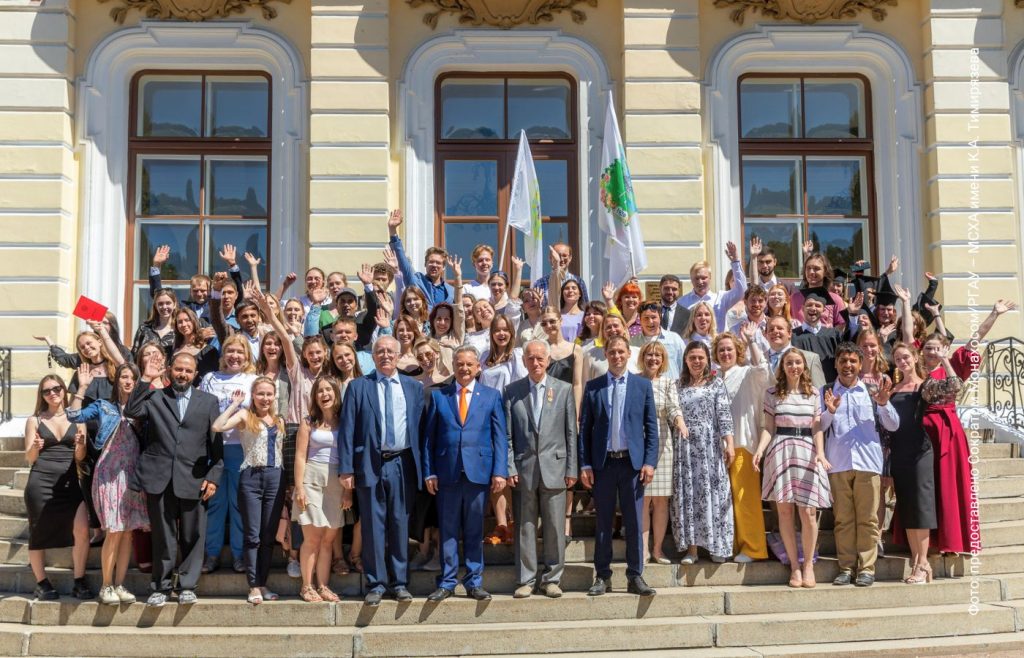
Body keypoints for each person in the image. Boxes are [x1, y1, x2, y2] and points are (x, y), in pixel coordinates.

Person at [125, 352, 223, 607]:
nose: (183, 374)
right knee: (162, 537)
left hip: (195, 478)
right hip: (159, 478)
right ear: (169, 370)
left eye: (188, 371)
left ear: (195, 375)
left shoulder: (209, 401)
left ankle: (188, 586)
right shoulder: (155, 397)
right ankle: (161, 586)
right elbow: (131, 410)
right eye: (179, 369)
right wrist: (145, 378)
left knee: (193, 536)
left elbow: (216, 447)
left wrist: (213, 477)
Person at [340, 336, 426, 606]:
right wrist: (346, 469)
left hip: (403, 464)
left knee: (400, 523)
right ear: (373, 356)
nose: (385, 355)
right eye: (380, 351)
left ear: (399, 355)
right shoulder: (358, 386)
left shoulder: (413, 387)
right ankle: (376, 583)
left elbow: (421, 431)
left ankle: (399, 583)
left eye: (390, 351)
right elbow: (347, 429)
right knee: (373, 525)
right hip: (370, 464)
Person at [424, 345, 508, 602]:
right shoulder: (439, 396)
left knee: (474, 529)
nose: (464, 368)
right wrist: (429, 472)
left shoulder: (491, 396)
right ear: (453, 366)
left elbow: (499, 437)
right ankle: (447, 582)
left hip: (478, 473)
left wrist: (500, 471)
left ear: (478, 367)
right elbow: (428, 439)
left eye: (469, 364)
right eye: (460, 364)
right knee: (448, 530)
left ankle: (474, 581)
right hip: (447, 472)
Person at [579, 336, 659, 597]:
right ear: (606, 354)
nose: (616, 356)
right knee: (603, 522)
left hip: (632, 465)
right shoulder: (594, 387)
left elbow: (651, 428)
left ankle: (635, 575)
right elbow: (585, 429)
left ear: (628, 354)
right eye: (612, 352)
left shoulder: (642, 386)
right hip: (603, 465)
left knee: (634, 522)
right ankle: (602, 576)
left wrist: (649, 462)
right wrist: (585, 464)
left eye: (621, 352)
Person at [68, 363, 149, 605]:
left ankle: (120, 584)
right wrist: (82, 388)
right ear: (117, 381)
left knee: (127, 533)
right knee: (113, 531)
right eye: (124, 376)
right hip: (109, 473)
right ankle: (106, 585)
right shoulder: (104, 405)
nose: (128, 381)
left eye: (132, 377)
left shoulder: (142, 407)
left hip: (133, 475)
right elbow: (74, 416)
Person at [751, 348, 832, 588]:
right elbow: (768, 428)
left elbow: (817, 427)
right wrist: (759, 450)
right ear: (783, 367)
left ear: (804, 366)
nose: (794, 367)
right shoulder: (772, 393)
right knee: (785, 512)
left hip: (807, 451)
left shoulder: (813, 393)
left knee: (808, 512)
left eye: (797, 362)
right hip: (781, 450)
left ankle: (808, 565)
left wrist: (821, 453)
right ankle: (795, 567)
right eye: (789, 363)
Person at [504, 340, 578, 598]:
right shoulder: (512, 391)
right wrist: (509, 466)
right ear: (524, 361)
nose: (535, 363)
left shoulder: (564, 389)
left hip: (555, 467)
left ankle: (551, 579)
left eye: (540, 358)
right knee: (524, 526)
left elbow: (571, 432)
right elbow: (507, 435)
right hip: (523, 468)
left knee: (555, 527)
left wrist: (572, 468)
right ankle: (526, 579)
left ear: (548, 361)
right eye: (530, 358)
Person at [822, 343, 899, 587]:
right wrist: (829, 412)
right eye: (843, 361)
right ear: (836, 363)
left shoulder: (872, 391)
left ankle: (866, 568)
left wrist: (884, 404)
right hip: (838, 463)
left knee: (868, 519)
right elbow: (819, 427)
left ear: (860, 364)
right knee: (843, 520)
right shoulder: (825, 391)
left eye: (853, 361)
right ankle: (846, 567)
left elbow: (893, 425)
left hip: (868, 464)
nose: (848, 365)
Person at [212, 379, 288, 604]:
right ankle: (253, 585)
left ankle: (263, 584)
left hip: (276, 477)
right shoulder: (245, 416)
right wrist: (235, 404)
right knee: (253, 535)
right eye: (260, 394)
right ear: (253, 395)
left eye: (269, 394)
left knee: (268, 536)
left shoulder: (279, 420)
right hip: (251, 477)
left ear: (274, 396)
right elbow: (217, 426)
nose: (265, 398)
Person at [23, 375, 92, 601]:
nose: (52, 393)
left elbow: (80, 456)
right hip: (40, 482)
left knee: (82, 530)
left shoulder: (77, 417)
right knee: (37, 532)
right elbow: (30, 458)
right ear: (41, 396)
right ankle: (42, 583)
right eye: (46, 391)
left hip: (69, 482)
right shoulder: (35, 420)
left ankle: (79, 581)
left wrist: (80, 445)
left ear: (64, 389)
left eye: (56, 388)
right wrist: (35, 446)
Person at [198, 334, 259, 574]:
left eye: (240, 352)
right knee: (215, 503)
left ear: (247, 356)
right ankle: (211, 554)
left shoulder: (252, 380)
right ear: (223, 354)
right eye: (230, 351)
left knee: (238, 504)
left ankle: (239, 554)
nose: (235, 356)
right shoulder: (210, 378)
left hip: (240, 449)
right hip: (214, 448)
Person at [673, 341, 736, 564]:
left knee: (713, 494)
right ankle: (692, 550)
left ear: (708, 359)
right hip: (685, 447)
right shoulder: (678, 385)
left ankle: (716, 546)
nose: (697, 361)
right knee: (690, 495)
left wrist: (729, 443)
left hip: (710, 446)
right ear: (686, 360)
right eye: (692, 357)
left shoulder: (716, 383)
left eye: (701, 357)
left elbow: (724, 415)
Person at [714, 327, 771, 563]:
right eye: (721, 350)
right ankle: (733, 545)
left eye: (729, 349)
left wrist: (751, 340)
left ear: (738, 351)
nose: (725, 353)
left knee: (745, 498)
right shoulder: (715, 378)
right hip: (719, 448)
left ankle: (754, 548)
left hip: (742, 444)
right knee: (726, 500)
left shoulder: (747, 373)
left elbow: (763, 371)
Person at [920, 333, 978, 556]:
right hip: (923, 432)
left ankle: (950, 539)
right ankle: (925, 540)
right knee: (926, 486)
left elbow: (956, 387)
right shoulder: (915, 370)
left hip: (947, 431)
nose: (931, 352)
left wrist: (993, 316)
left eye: (936, 348)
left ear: (944, 349)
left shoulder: (950, 368)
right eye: (928, 348)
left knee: (947, 484)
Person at [293, 376, 348, 602]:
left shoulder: (345, 422)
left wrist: (348, 491)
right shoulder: (308, 422)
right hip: (311, 480)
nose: (324, 394)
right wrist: (299, 487)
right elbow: (300, 456)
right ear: (315, 396)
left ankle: (323, 585)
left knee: (328, 539)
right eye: (320, 391)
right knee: (313, 538)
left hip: (337, 482)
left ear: (336, 393)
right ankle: (307, 586)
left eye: (328, 390)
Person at [887, 343, 937, 584]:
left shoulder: (925, 386)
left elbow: (953, 389)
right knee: (906, 506)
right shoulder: (893, 389)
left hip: (920, 451)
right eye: (898, 358)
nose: (902, 362)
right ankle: (917, 560)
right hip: (899, 452)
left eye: (906, 357)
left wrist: (944, 359)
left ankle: (923, 562)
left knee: (921, 506)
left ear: (915, 357)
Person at [479, 315, 526, 545]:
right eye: (497, 330)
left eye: (505, 330)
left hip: (511, 415)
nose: (501, 334)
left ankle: (514, 522)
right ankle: (501, 525)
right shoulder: (484, 357)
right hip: (489, 416)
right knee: (495, 470)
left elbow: (522, 386)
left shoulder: (517, 356)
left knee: (509, 470)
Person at [636, 341, 685, 564]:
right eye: (649, 354)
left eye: (658, 355)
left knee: (661, 501)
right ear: (642, 357)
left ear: (663, 360)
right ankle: (643, 549)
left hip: (663, 444)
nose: (653, 359)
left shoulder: (667, 383)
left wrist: (679, 421)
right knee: (643, 499)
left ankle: (657, 549)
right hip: (639, 444)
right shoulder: (634, 380)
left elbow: (673, 407)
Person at [388, 209, 453, 308]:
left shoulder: (451, 291)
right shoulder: (416, 281)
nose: (434, 265)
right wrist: (393, 231)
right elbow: (402, 261)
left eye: (438, 263)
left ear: (444, 267)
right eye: (431, 262)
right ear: (425, 264)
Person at [679, 241, 747, 330]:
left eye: (704, 278)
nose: (700, 282)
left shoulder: (721, 299)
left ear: (710, 278)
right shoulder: (682, 302)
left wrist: (735, 262)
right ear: (691, 280)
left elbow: (741, 291)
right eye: (696, 278)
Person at [764, 317, 826, 389]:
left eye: (780, 328)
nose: (775, 331)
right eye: (771, 329)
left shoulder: (810, 359)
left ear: (789, 333)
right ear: (766, 335)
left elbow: (821, 391)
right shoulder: (757, 360)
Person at [631, 302, 686, 380]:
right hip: (644, 386)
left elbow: (685, 364)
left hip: (672, 386)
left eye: (653, 317)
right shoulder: (633, 342)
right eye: (646, 318)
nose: (650, 321)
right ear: (640, 319)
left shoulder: (674, 339)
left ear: (660, 317)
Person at [533, 242, 590, 306]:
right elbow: (536, 308)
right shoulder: (540, 283)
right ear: (550, 258)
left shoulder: (578, 282)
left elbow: (585, 306)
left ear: (570, 258)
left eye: (564, 255)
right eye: (557, 256)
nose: (561, 259)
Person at [131, 287, 177, 357]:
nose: (164, 307)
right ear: (155, 306)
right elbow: (134, 355)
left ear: (174, 305)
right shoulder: (144, 329)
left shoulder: (179, 329)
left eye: (168, 303)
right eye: (160, 304)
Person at [657, 274, 692, 340]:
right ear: (660, 288)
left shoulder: (687, 315)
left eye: (674, 289)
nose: (670, 292)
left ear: (679, 291)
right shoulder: (652, 310)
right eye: (666, 288)